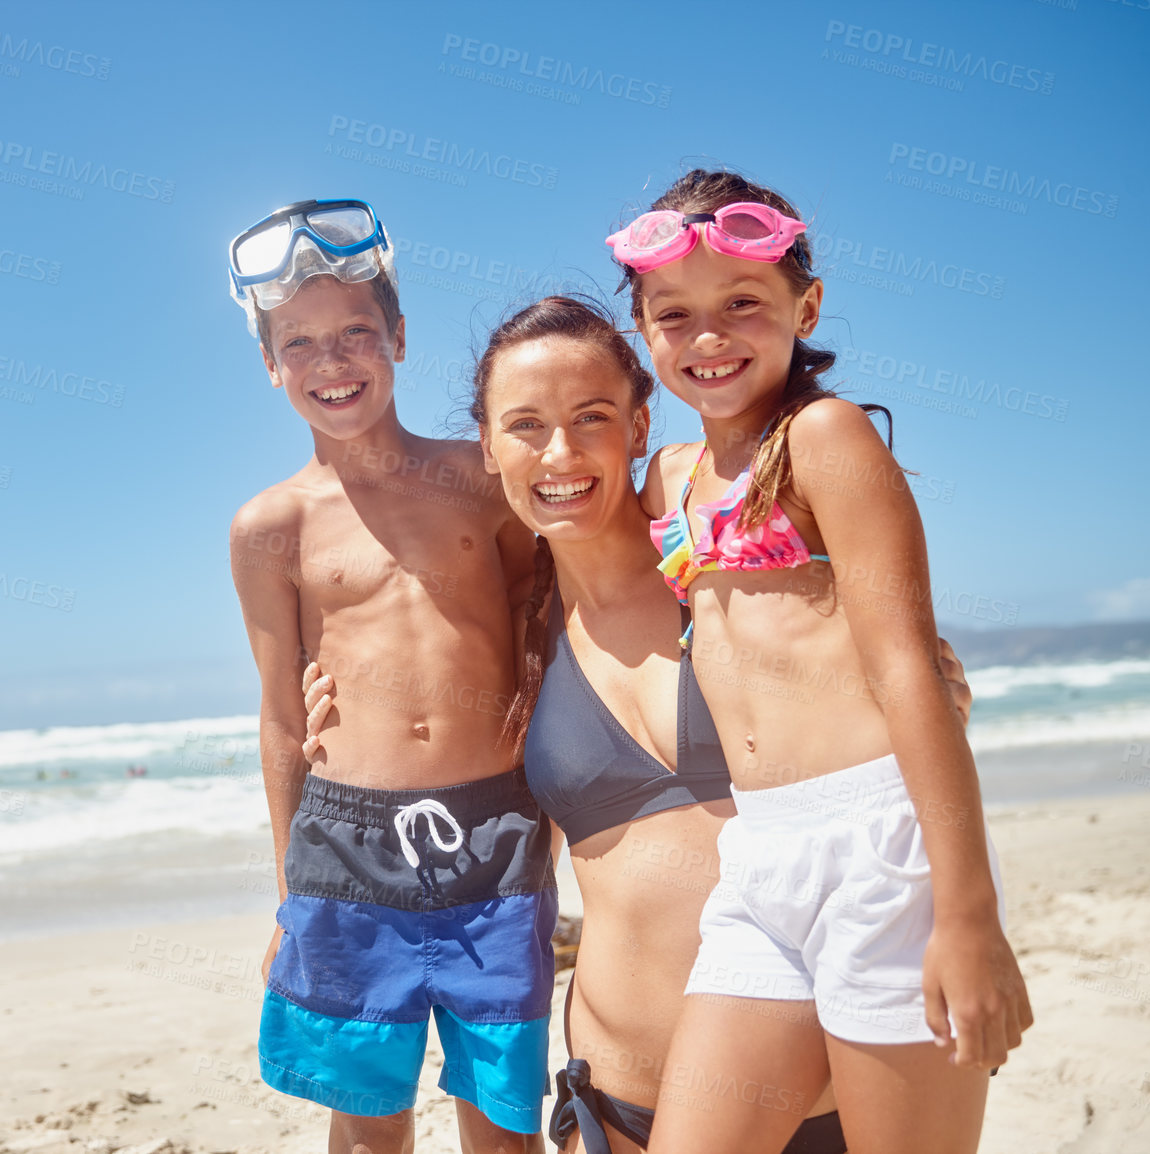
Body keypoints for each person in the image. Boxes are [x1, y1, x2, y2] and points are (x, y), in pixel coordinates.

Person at [301, 295, 980, 1153]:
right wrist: (333, 731)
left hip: (830, 1079)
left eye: (593, 417)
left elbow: (878, 643)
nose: (561, 453)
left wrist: (915, 689)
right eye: (525, 425)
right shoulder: (519, 628)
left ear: (639, 424)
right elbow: (431, 765)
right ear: (488, 445)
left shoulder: (714, 547)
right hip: (617, 1097)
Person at [615, 169, 1031, 1154]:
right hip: (760, 860)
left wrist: (966, 916)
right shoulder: (669, 478)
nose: (708, 336)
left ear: (804, 305)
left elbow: (904, 673)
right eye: (673, 314)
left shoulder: (824, 438)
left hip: (882, 847)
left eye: (742, 304)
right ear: (642, 330)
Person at [226, 198, 551, 1153]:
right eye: (301, 344)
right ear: (270, 364)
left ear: (399, 338)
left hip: (496, 825)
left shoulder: (484, 478)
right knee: (368, 1120)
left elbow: (554, 615)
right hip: (346, 845)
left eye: (356, 333)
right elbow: (283, 721)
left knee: (502, 1114)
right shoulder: (269, 527)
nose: (332, 363)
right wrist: (290, 896)